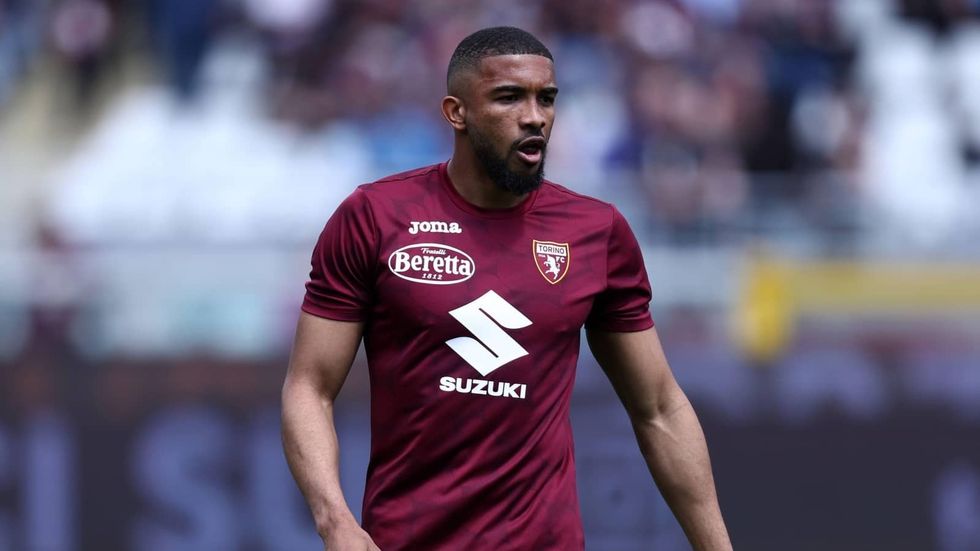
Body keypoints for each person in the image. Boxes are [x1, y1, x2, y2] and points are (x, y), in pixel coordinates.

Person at [281, 26, 733, 551]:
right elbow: (308, 387)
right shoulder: (374, 217)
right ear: (457, 113)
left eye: (547, 98)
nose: (535, 116)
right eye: (509, 97)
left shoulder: (596, 232)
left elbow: (657, 407)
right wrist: (335, 521)